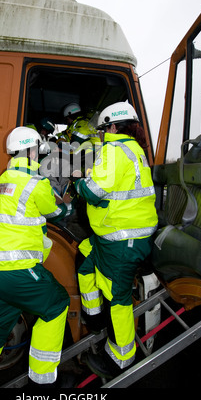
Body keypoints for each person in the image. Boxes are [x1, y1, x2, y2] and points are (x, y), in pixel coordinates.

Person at [0, 126, 71, 388]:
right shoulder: (35, 183)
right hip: (19, 272)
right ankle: (42, 382)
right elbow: (57, 211)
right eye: (37, 152)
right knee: (56, 303)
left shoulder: (0, 183)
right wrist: (68, 202)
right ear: (32, 151)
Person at [74, 101, 158, 378]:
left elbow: (94, 191)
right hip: (115, 234)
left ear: (111, 126)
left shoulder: (113, 150)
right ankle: (94, 317)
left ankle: (121, 361)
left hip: (123, 239)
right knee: (84, 259)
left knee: (117, 299)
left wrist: (78, 183)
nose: (100, 134)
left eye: (102, 129)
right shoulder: (132, 148)